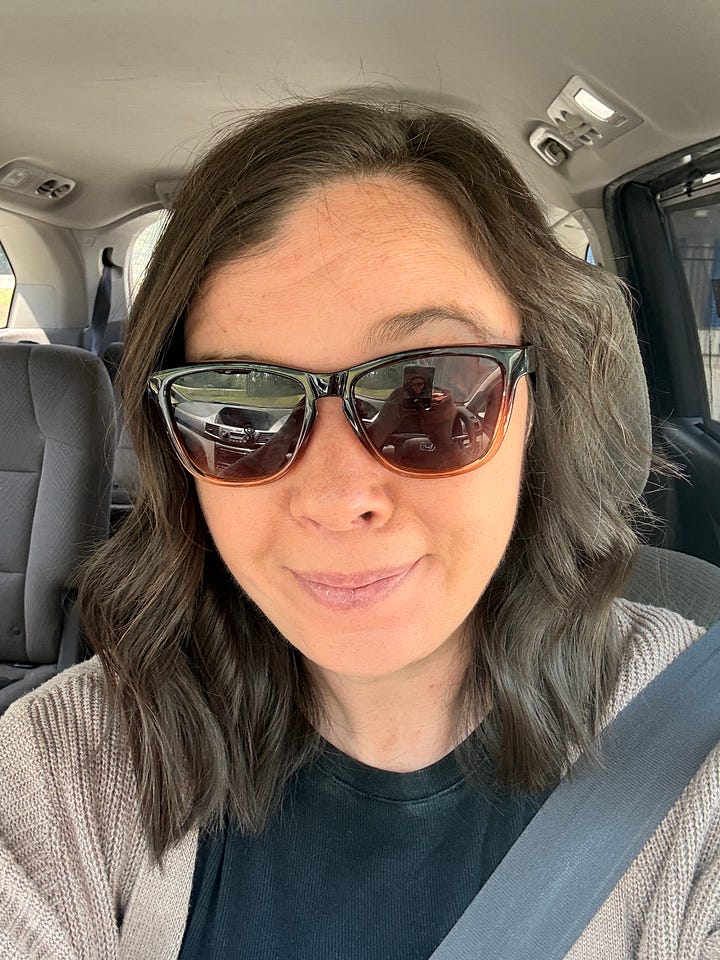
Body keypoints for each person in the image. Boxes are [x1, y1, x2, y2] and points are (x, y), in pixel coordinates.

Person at [0, 98, 718, 960]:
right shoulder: (59, 772)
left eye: (430, 395)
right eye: (240, 409)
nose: (338, 498)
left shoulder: (697, 754)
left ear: (542, 405)